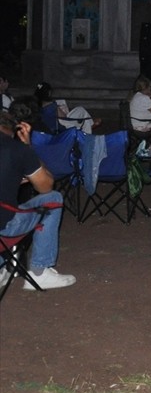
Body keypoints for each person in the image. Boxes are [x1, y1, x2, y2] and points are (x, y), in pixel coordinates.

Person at [0, 109, 76, 290]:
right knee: (53, 199)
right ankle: (39, 272)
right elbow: (45, 186)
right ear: (16, 129)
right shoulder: (16, 149)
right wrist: (28, 148)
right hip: (4, 229)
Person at [35, 81, 101, 134]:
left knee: (79, 111)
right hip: (61, 126)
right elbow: (64, 117)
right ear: (48, 93)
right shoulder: (51, 106)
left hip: (49, 127)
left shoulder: (36, 105)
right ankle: (88, 128)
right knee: (80, 110)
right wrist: (60, 108)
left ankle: (89, 124)